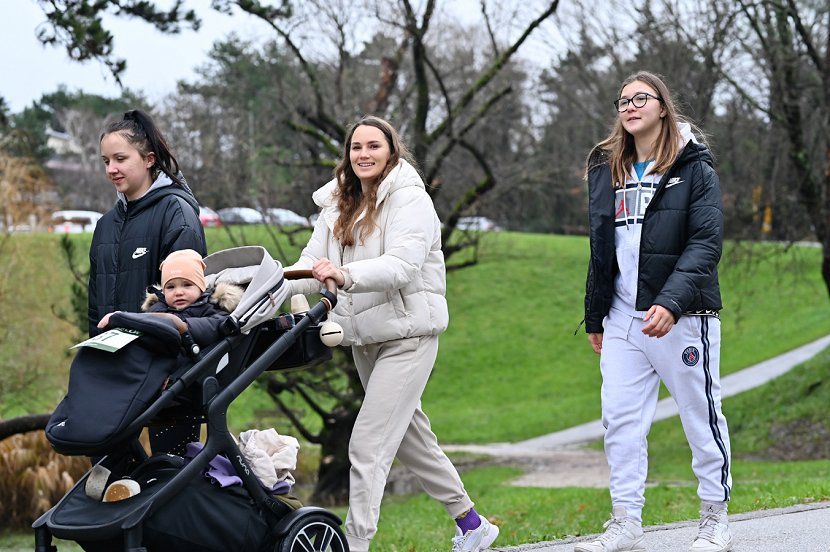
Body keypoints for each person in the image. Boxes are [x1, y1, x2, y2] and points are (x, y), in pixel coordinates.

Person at [285, 115, 499, 552]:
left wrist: (344, 275)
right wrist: (260, 286)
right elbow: (310, 265)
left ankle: (355, 543)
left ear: (391, 151)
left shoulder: (410, 200)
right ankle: (472, 524)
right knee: (411, 439)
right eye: (356, 147)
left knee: (368, 444)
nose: (363, 154)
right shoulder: (336, 204)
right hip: (365, 339)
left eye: (373, 146)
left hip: (408, 336)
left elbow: (402, 265)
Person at [579, 71, 732, 552]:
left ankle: (715, 519)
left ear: (663, 106)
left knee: (700, 415)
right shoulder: (608, 168)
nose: (629, 106)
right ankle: (625, 522)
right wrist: (596, 313)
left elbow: (706, 243)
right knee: (619, 422)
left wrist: (670, 301)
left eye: (640, 98)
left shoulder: (694, 167)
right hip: (623, 320)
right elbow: (601, 246)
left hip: (683, 317)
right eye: (622, 101)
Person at [91, 109, 207, 454]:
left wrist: (177, 372)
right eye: (106, 161)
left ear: (149, 159)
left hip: (168, 377)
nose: (111, 169)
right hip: (114, 373)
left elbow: (191, 303)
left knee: (172, 471)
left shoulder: (176, 213)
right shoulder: (105, 226)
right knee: (110, 473)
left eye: (120, 159)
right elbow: (94, 304)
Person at [97, 249, 243, 349]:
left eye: (187, 285)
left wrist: (177, 325)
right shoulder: (158, 308)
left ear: (201, 288)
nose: (178, 292)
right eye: (171, 287)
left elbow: (214, 326)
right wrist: (122, 319)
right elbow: (143, 323)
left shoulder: (210, 308)